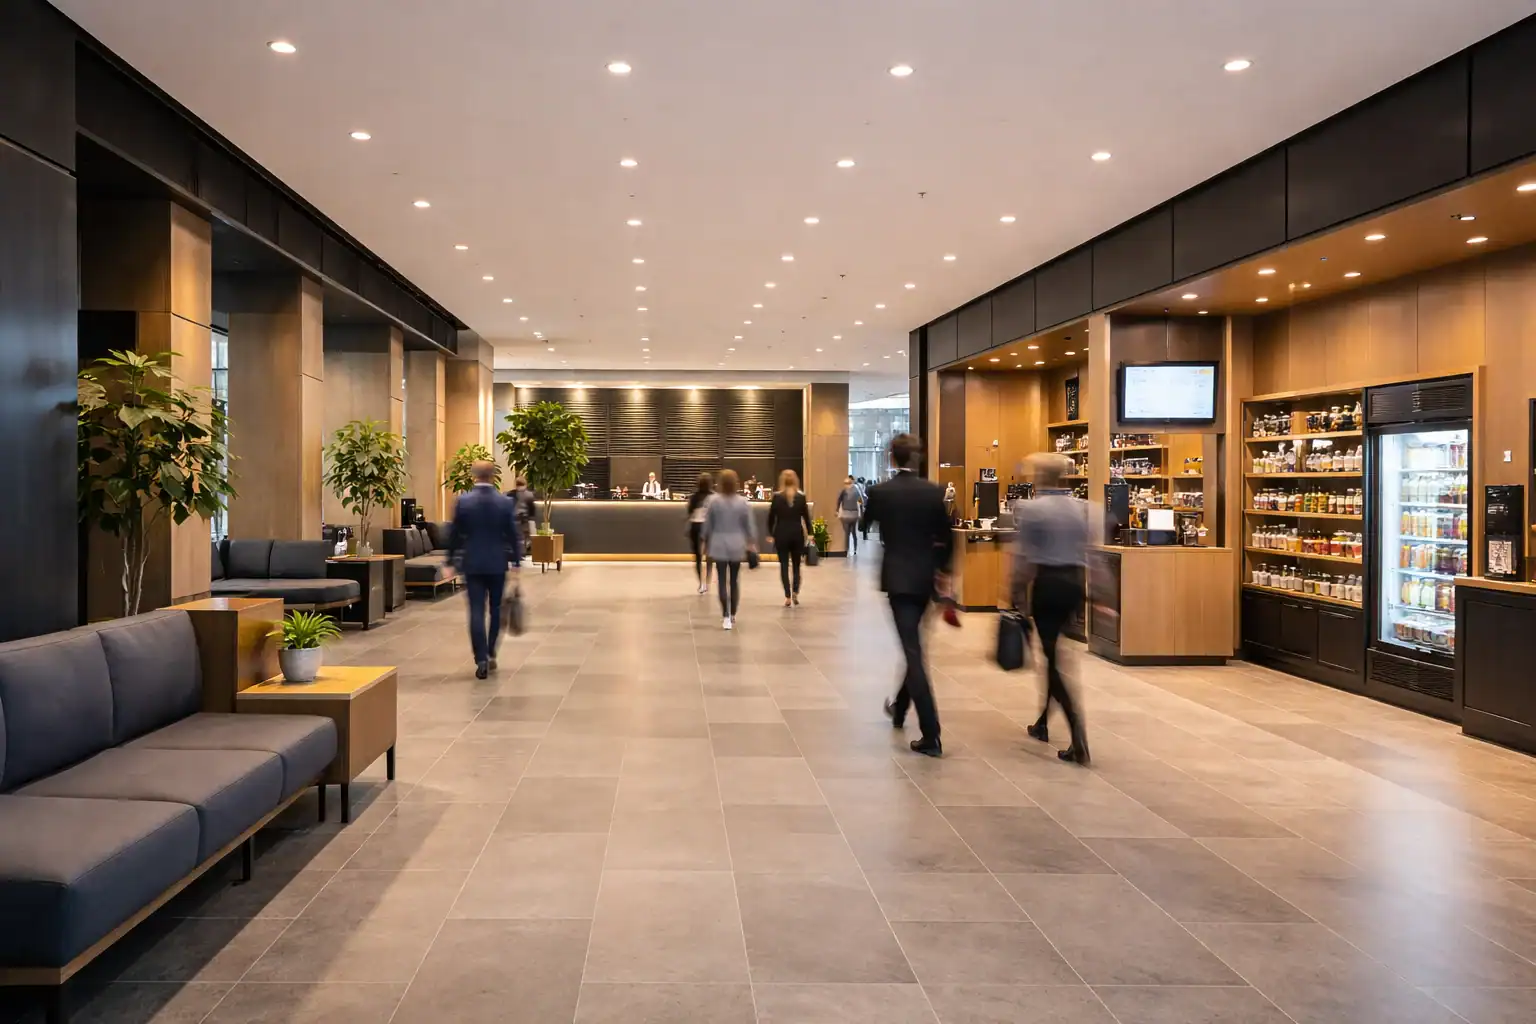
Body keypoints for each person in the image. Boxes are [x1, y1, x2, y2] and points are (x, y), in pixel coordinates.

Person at [861, 434, 954, 757]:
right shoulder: (934, 492)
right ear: (917, 457)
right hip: (925, 579)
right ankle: (900, 709)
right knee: (913, 644)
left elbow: (866, 523)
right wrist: (943, 571)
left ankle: (931, 733)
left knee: (913, 652)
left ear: (892, 457)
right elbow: (947, 537)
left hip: (898, 579)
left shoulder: (880, 492)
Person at [1013, 453, 1091, 765]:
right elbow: (1089, 552)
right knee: (1056, 654)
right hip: (1074, 585)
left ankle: (1077, 734)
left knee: (1051, 659)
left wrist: (1015, 592)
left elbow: (1023, 557)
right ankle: (1043, 722)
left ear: (1041, 476)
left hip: (1048, 585)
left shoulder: (1033, 509)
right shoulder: (1081, 508)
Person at [447, 460, 522, 679]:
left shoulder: (463, 501)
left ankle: (480, 659)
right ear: (493, 476)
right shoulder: (505, 502)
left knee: (476, 611)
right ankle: (490, 652)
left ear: (474, 475)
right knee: (496, 610)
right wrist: (517, 562)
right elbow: (513, 535)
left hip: (472, 564)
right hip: (497, 564)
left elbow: (454, 534)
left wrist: (450, 561)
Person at [702, 468, 756, 630]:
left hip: (718, 544)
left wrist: (704, 542)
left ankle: (725, 615)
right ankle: (733, 613)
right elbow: (749, 526)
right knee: (734, 580)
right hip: (737, 545)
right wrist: (751, 542)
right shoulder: (743, 502)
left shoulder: (713, 501)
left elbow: (707, 526)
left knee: (721, 580)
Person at [767, 469, 812, 606]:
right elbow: (806, 518)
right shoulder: (801, 497)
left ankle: (787, 596)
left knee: (784, 565)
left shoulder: (777, 497)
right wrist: (810, 533)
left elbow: (771, 518)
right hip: (797, 534)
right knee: (797, 566)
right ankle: (795, 592)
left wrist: (770, 534)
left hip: (781, 534)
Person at [686, 472, 714, 594]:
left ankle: (701, 583)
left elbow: (689, 511)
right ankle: (707, 581)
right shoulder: (714, 497)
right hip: (709, 527)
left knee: (698, 557)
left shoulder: (694, 497)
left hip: (696, 527)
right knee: (709, 556)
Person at [836, 474, 864, 556]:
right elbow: (861, 502)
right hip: (854, 514)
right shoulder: (856, 490)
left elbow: (839, 500)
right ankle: (855, 549)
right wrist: (861, 513)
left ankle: (846, 549)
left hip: (845, 514)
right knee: (854, 532)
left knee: (847, 533)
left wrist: (837, 510)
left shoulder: (843, 491)